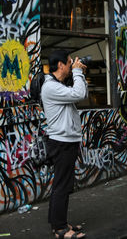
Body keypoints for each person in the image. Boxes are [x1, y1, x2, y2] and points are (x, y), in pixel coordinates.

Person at [41, 50, 88, 239]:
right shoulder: (51, 87)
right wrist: (77, 73)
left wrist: (79, 73)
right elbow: (79, 93)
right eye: (69, 63)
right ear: (60, 65)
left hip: (65, 141)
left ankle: (59, 222)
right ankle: (60, 229)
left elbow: (79, 92)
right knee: (61, 185)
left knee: (63, 184)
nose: (71, 65)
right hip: (62, 143)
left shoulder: (57, 85)